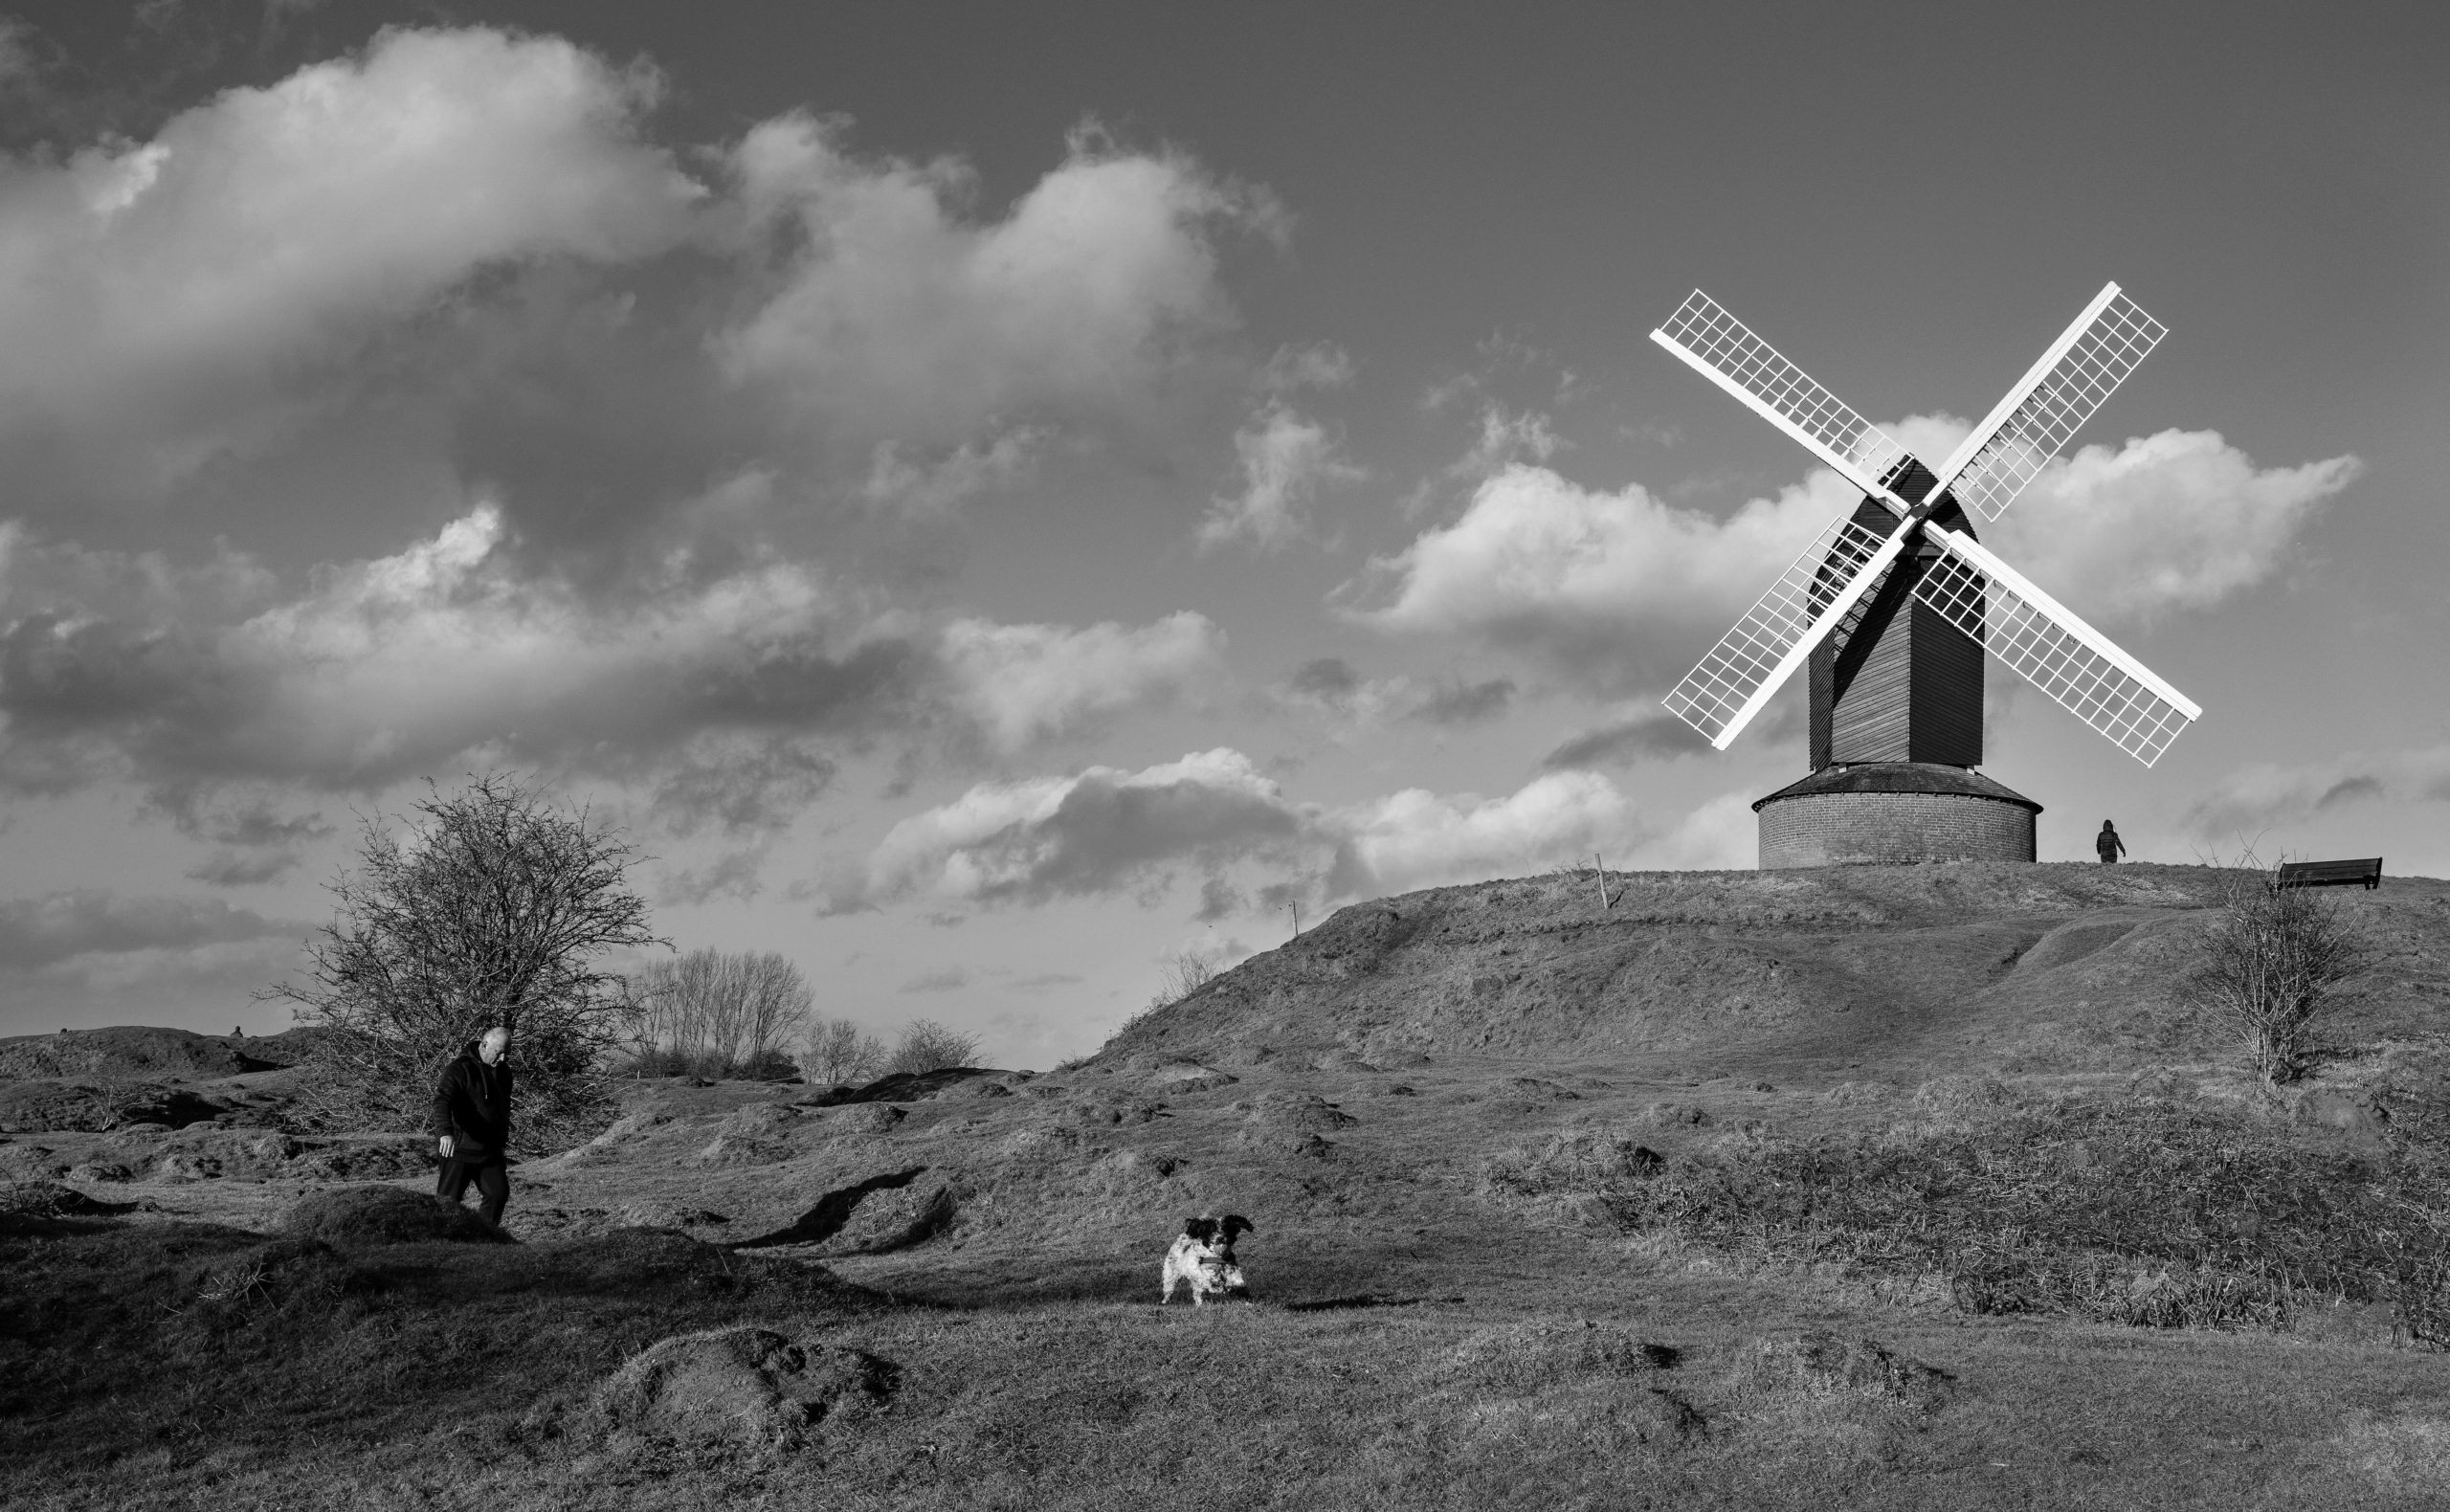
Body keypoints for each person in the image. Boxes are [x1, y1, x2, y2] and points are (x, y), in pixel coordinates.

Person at [433, 1026, 514, 1226]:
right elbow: (442, 1100)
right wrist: (445, 1133)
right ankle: (442, 1242)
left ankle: (484, 1238)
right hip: (458, 1149)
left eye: (506, 1053)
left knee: (498, 1194)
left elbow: (503, 1107)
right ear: (485, 1045)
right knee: (448, 1203)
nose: (503, 1058)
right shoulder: (459, 1069)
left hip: (489, 1150)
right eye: (499, 1052)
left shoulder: (504, 1073)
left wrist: (501, 1137)